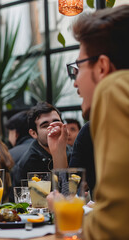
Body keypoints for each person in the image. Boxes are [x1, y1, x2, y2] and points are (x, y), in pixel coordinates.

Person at [47, 5, 129, 239]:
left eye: (78, 68)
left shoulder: (114, 89)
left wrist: (64, 212)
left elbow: (112, 228)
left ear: (102, 67)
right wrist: (59, 153)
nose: (75, 83)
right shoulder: (89, 131)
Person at [11, 102, 71, 187]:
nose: (52, 128)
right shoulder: (27, 163)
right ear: (33, 133)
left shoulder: (73, 152)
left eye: (56, 122)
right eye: (45, 126)